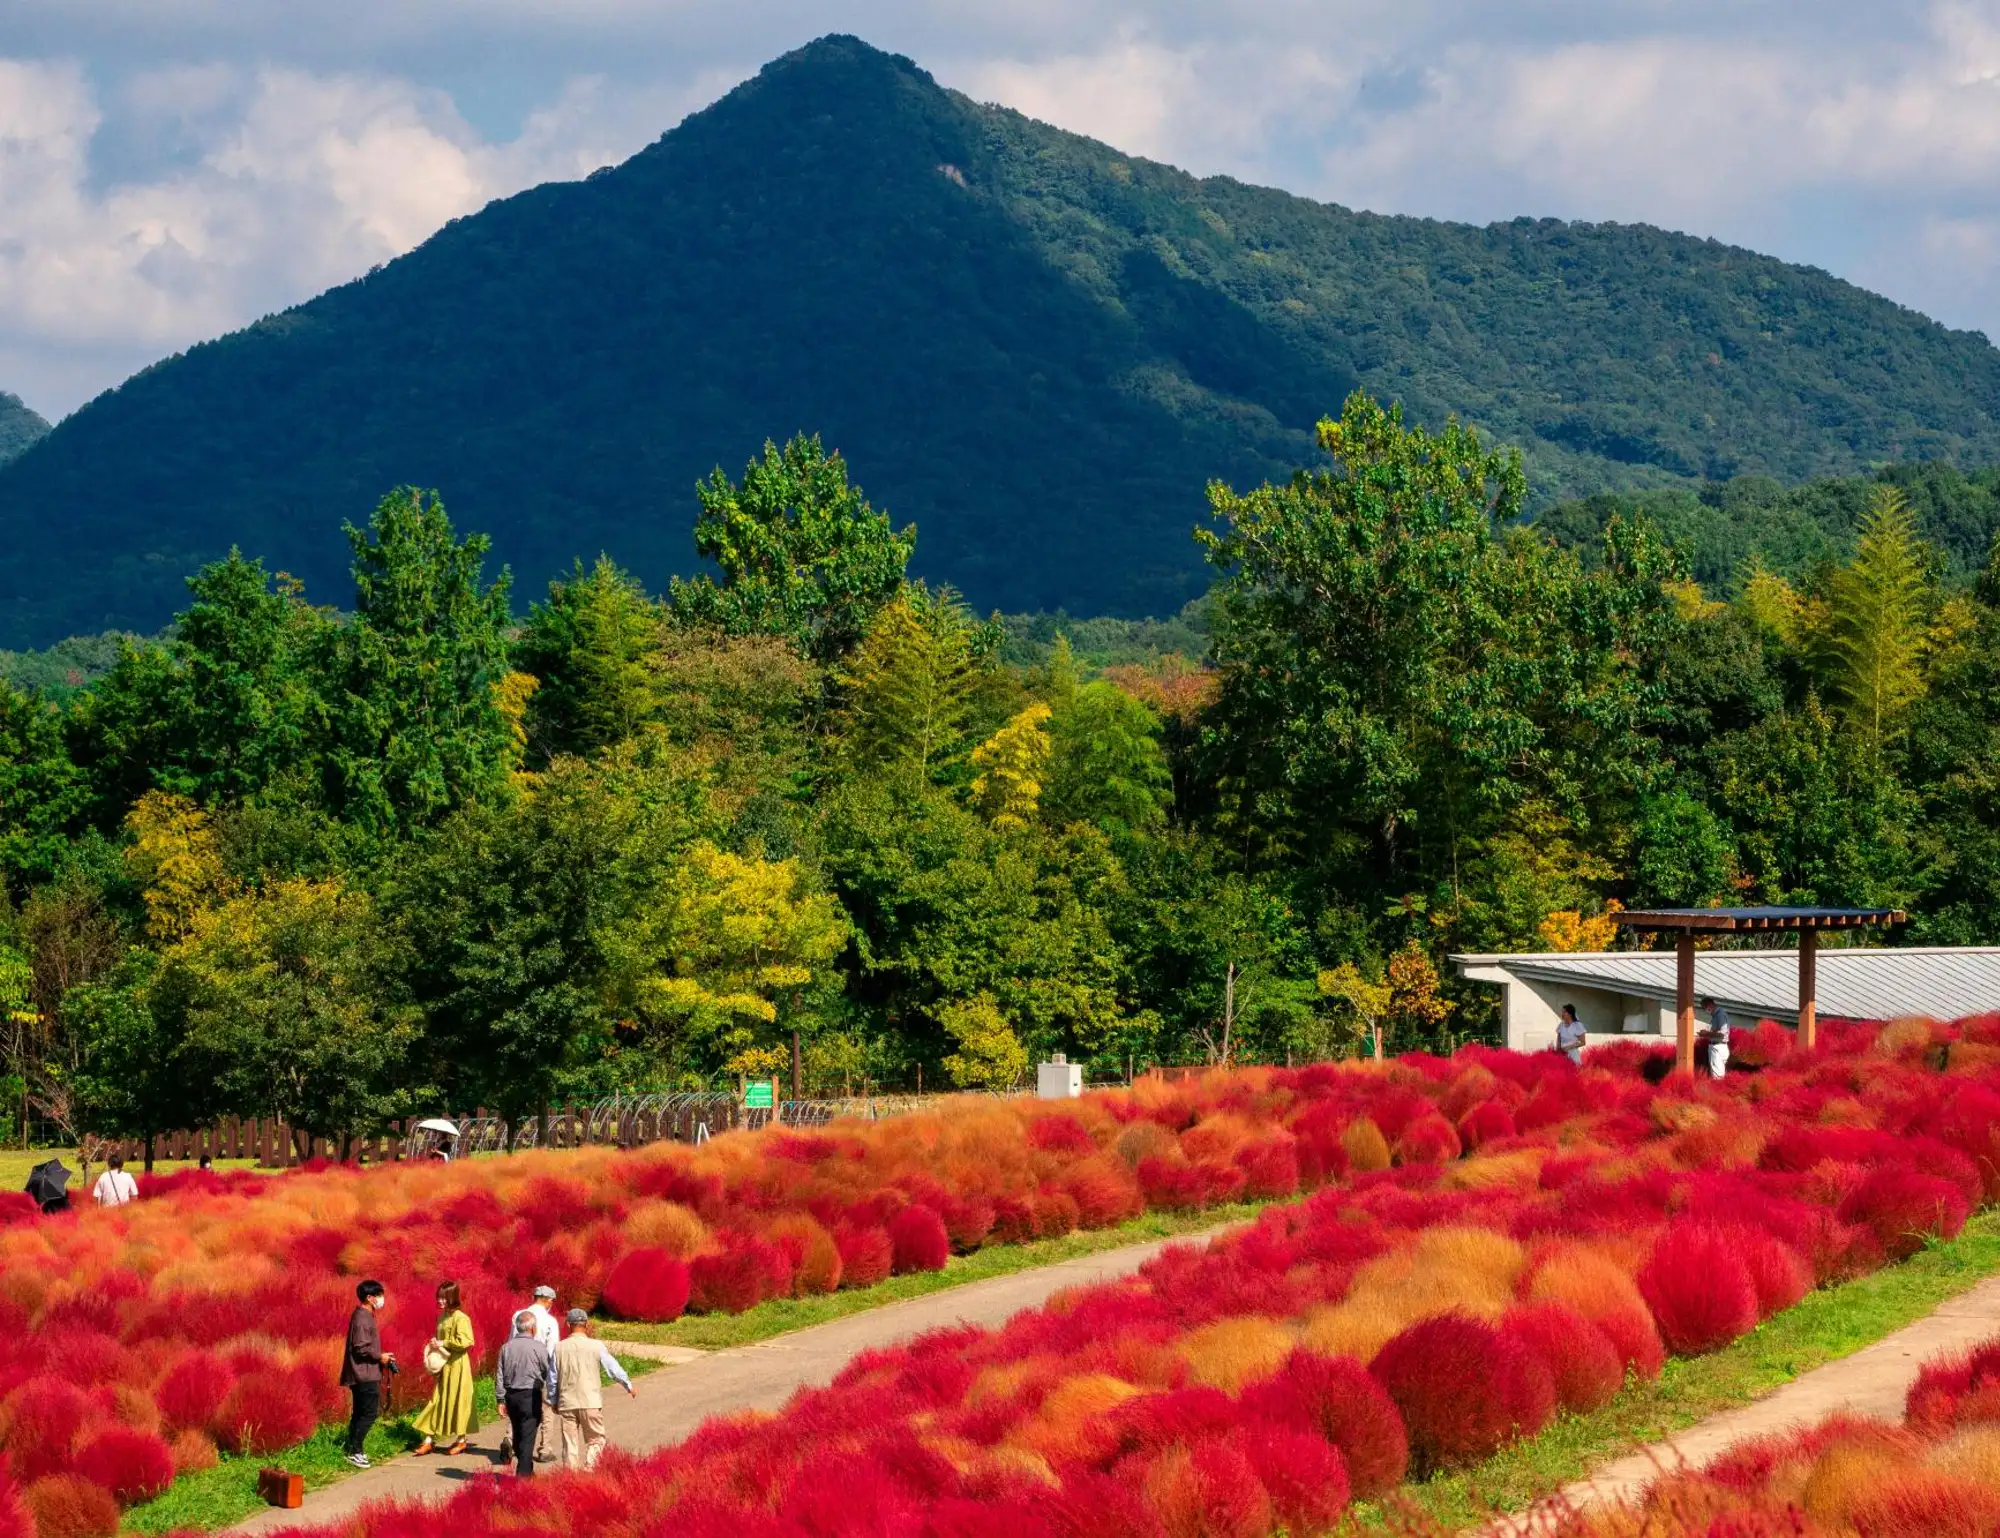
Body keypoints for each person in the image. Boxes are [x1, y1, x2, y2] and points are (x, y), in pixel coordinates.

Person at [553, 1309, 635, 1472]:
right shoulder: (596, 1346)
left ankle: (571, 1476)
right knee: (596, 1439)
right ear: (587, 1325)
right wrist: (628, 1385)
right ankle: (590, 1469)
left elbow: (552, 1378)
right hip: (590, 1400)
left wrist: (553, 1399)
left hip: (567, 1401)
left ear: (568, 1325)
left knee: (570, 1443)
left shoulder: (558, 1348)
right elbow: (613, 1368)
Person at [499, 1284, 563, 1464]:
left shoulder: (518, 1315)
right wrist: (551, 1375)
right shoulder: (550, 1321)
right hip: (539, 1367)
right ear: (548, 1300)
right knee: (546, 1407)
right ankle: (544, 1449)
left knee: (517, 1409)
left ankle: (510, 1439)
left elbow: (512, 1341)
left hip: (518, 1365)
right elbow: (552, 1350)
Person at [411, 1280, 475, 1455]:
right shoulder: (442, 1317)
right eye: (438, 1297)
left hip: (458, 1366)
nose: (439, 1301)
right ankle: (428, 1440)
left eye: (444, 1298)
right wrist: (435, 1344)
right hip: (444, 1365)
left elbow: (467, 1341)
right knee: (437, 1400)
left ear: (452, 1298)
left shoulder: (461, 1318)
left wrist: (443, 1342)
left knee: (457, 1401)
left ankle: (461, 1440)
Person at [339, 1280, 398, 1468]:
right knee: (369, 1413)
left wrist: (381, 1356)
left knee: (359, 1413)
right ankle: (356, 1451)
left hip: (363, 1373)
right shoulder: (363, 1318)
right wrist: (379, 1357)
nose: (382, 1299)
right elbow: (361, 1348)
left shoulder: (364, 1316)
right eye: (379, 1295)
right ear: (369, 1298)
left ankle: (353, 1449)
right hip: (364, 1374)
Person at [494, 1311, 556, 1478]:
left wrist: (500, 1399)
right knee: (528, 1436)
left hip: (511, 1396)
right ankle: (523, 1475)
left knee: (518, 1432)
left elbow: (499, 1374)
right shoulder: (539, 1348)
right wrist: (551, 1393)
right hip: (531, 1395)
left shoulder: (506, 1348)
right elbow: (547, 1371)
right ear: (533, 1328)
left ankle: (527, 1468)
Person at [1700, 996, 1731, 1079]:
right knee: (1718, 1074)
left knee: (1717, 1077)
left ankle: (1719, 1091)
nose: (1705, 1010)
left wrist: (1706, 1033)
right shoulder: (1715, 1015)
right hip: (1717, 1046)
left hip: (1718, 1047)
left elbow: (1722, 1034)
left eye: (1704, 1008)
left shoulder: (1720, 1015)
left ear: (1710, 1005)